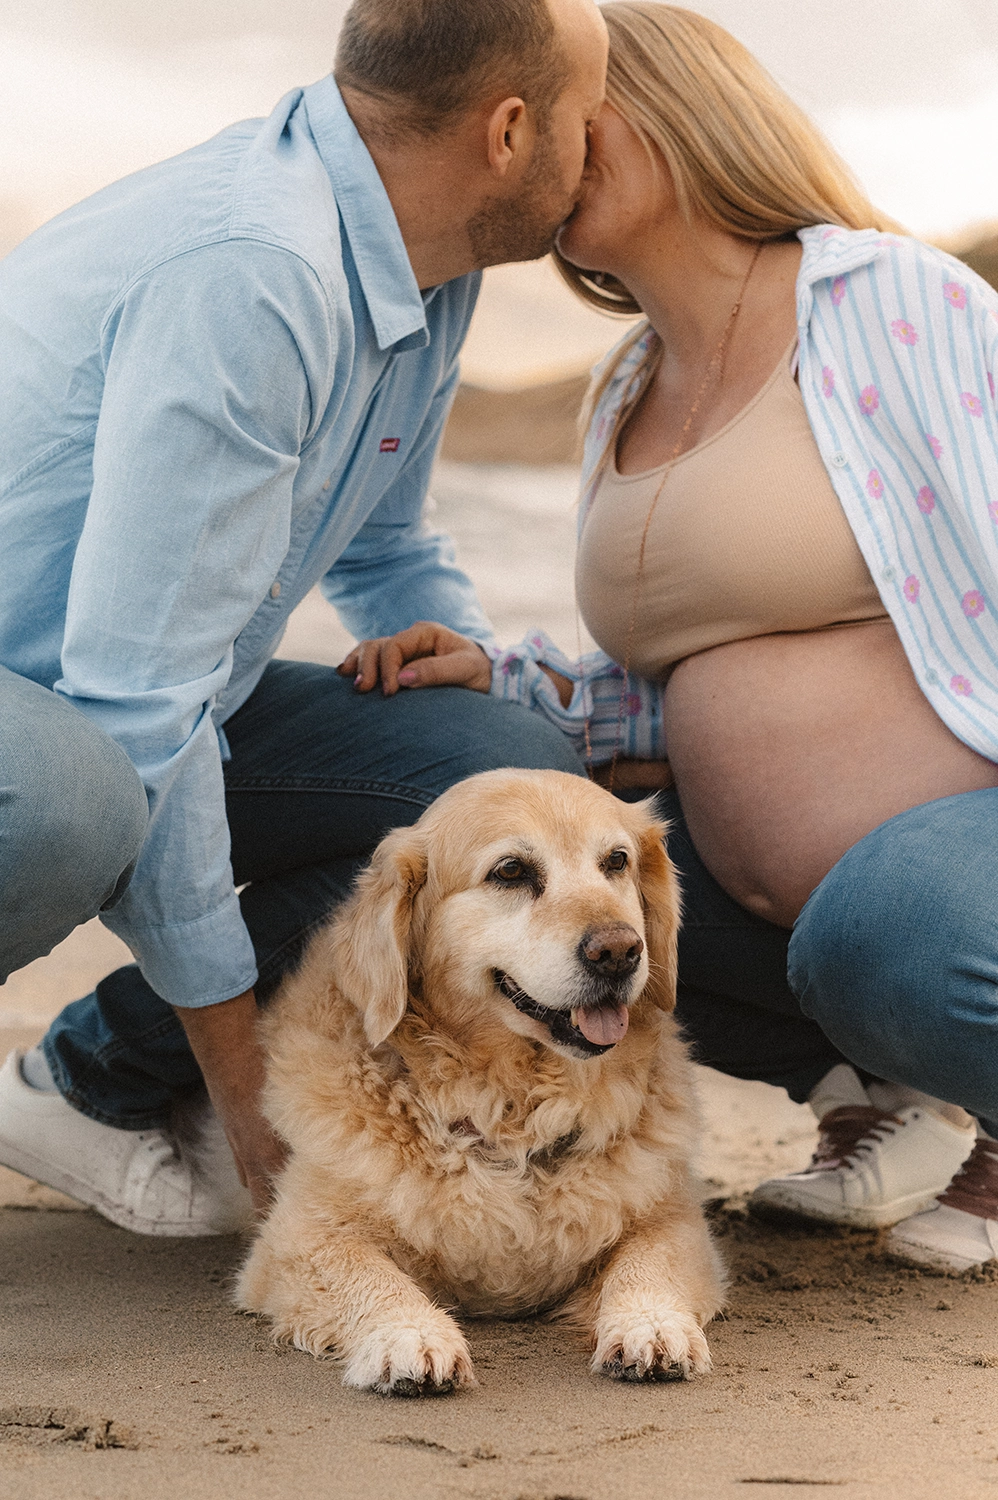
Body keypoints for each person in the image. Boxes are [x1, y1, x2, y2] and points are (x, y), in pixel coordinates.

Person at [357, 2, 998, 1273]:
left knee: (883, 932)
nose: (541, 142)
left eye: (576, 109)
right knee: (554, 913)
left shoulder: (881, 296)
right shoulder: (625, 383)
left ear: (680, 107)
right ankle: (886, 1096)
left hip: (949, 869)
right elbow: (692, 672)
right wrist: (511, 682)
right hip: (804, 904)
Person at [0, 0, 608, 1235]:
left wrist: (467, 658)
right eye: (589, 120)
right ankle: (197, 1085)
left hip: (119, 697)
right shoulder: (257, 271)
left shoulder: (426, 266)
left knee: (498, 776)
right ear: (506, 132)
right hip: (49, 720)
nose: (599, 150)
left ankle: (86, 1086)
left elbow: (385, 542)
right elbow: (143, 702)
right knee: (76, 798)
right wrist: (254, 1093)